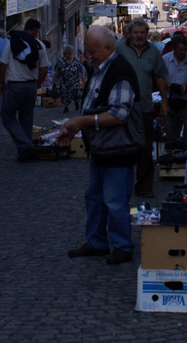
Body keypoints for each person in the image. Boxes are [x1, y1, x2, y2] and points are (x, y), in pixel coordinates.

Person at [59, 26, 142, 265]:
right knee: (94, 196)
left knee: (115, 200)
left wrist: (82, 120)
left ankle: (122, 246)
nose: (88, 56)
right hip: (102, 147)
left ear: (108, 48)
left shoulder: (120, 72)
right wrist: (75, 126)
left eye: (92, 51)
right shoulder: (99, 69)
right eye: (86, 51)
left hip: (119, 148)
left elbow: (119, 115)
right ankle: (96, 242)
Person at [115, 19, 169, 197]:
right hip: (120, 106)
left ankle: (144, 186)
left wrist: (164, 101)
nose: (139, 36)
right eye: (135, 32)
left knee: (145, 147)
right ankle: (120, 185)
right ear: (129, 33)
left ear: (147, 34)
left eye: (142, 33)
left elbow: (160, 76)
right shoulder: (119, 48)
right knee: (121, 146)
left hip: (145, 106)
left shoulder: (153, 50)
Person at [0, 18, 50, 162]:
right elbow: (44, 69)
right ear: (35, 31)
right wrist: (37, 84)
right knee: (26, 119)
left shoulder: (12, 43)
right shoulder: (39, 45)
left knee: (8, 117)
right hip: (31, 85)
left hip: (15, 85)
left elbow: (3, 64)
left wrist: (1, 82)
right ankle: (25, 152)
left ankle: (26, 146)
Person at [162, 34, 187, 149]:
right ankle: (172, 152)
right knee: (170, 129)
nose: (183, 52)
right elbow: (159, 77)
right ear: (174, 48)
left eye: (185, 49)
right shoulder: (165, 59)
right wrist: (168, 85)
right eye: (180, 50)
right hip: (170, 100)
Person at [53, 45, 86, 114]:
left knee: (76, 92)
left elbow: (81, 69)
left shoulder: (76, 60)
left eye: (69, 54)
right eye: (66, 54)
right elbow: (57, 70)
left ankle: (76, 102)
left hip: (74, 80)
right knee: (64, 93)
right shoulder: (61, 60)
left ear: (72, 53)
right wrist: (55, 79)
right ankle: (66, 107)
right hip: (64, 80)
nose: (67, 55)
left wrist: (83, 77)